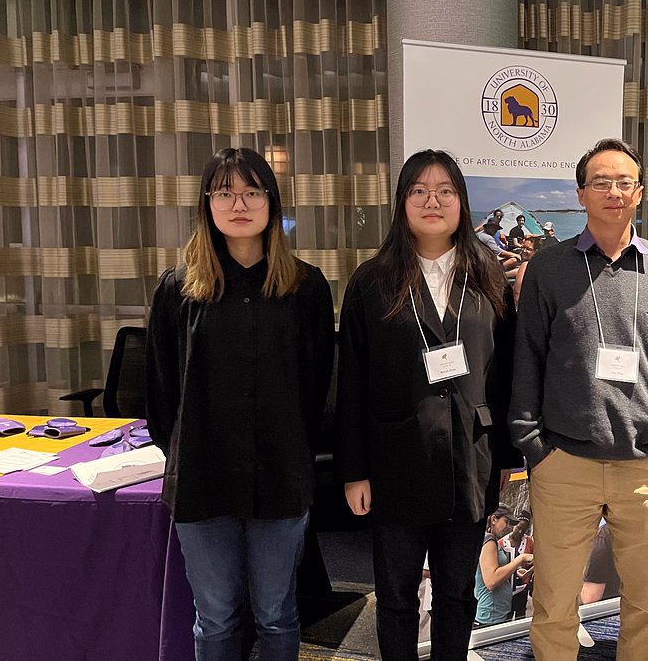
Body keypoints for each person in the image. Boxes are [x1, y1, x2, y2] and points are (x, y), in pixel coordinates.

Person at [509, 137, 648, 661]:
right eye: (600, 182)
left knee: (646, 604)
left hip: (646, 466)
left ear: (639, 192)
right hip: (563, 465)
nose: (613, 192)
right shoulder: (548, 268)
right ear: (580, 194)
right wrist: (533, 447)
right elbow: (527, 360)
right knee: (553, 604)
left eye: (624, 182)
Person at [146, 147, 335, 661]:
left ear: (271, 202)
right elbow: (160, 392)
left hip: (280, 475)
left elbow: (317, 384)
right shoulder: (178, 289)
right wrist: (183, 452)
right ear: (206, 203)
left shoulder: (306, 287)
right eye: (225, 193)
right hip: (202, 479)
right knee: (216, 617)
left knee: (277, 613)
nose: (239, 204)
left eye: (252, 192)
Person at [336, 149, 521, 661]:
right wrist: (353, 472)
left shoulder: (488, 277)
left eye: (444, 191)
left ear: (461, 202)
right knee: (396, 596)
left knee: (457, 593)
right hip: (396, 461)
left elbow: (506, 373)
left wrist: (509, 457)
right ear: (402, 202)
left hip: (471, 458)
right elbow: (351, 383)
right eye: (419, 190)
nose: (432, 201)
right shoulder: (372, 281)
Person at [475, 505, 533, 626]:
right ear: (493, 519)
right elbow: (492, 581)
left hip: (496, 613)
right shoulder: (489, 540)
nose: (508, 527)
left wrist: (516, 571)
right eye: (506, 521)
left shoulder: (488, 539)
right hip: (490, 616)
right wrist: (520, 559)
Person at [499, 510, 535, 618]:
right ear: (513, 525)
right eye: (519, 527)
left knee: (521, 615)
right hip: (505, 590)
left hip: (522, 589)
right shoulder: (501, 543)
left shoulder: (529, 541)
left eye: (523, 530)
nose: (520, 532)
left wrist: (529, 575)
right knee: (507, 616)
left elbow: (536, 560)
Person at [580, 522, 620, 605]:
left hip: (611, 609)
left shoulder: (602, 538)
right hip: (641, 607)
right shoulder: (646, 530)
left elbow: (590, 598)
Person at [512, 238, 538, 307]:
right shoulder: (542, 265)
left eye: (528, 249)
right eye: (523, 247)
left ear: (536, 251)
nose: (524, 250)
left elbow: (517, 291)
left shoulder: (525, 265)